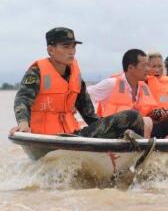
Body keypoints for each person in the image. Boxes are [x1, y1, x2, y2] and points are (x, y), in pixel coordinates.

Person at [9, 27, 144, 138]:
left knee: (133, 116)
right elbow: (22, 100)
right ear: (51, 50)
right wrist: (23, 124)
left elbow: (90, 115)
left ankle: (135, 157)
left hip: (73, 135)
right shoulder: (37, 72)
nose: (72, 52)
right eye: (66, 47)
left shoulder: (76, 76)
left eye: (73, 47)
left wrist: (111, 131)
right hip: (45, 137)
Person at [88, 49, 168, 138]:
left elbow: (152, 112)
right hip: (112, 131)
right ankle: (145, 151)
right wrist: (94, 122)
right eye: (144, 66)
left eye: (148, 65)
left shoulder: (143, 87)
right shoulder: (112, 84)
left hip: (135, 132)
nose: (148, 69)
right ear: (131, 68)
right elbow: (85, 96)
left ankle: (156, 152)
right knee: (146, 122)